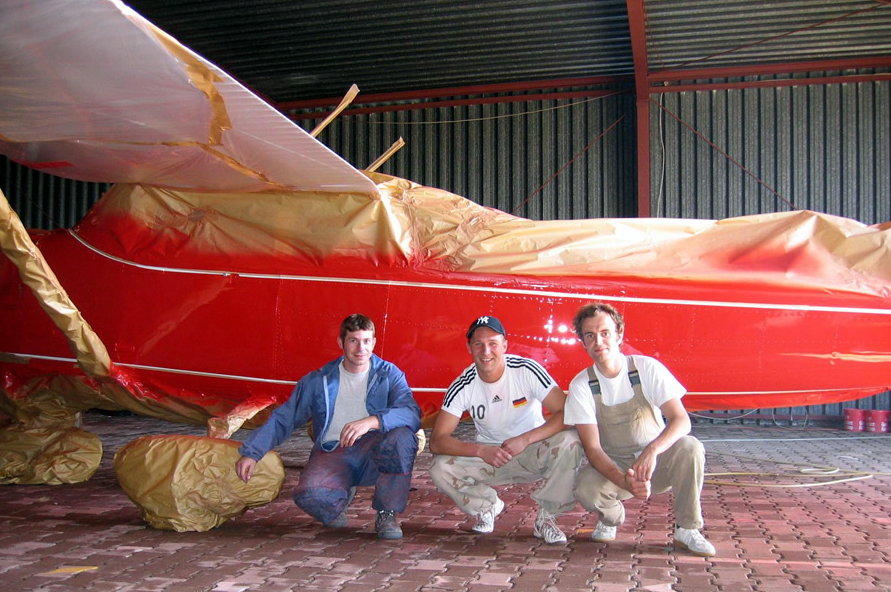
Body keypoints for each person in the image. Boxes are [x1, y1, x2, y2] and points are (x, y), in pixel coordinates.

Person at [235, 313, 421, 540]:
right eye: (353, 340)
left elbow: (411, 412)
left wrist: (373, 421)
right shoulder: (318, 380)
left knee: (402, 439)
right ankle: (340, 492)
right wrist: (252, 453)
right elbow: (285, 417)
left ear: (373, 342)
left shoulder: (389, 374)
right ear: (341, 343)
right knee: (311, 497)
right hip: (334, 451)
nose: (360, 348)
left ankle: (387, 512)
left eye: (366, 341)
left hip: (375, 451)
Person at [565, 302, 715, 556]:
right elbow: (592, 448)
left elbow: (681, 420)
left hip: (657, 465)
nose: (598, 341)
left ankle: (687, 529)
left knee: (691, 447)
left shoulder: (647, 369)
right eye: (589, 335)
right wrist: (625, 480)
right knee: (586, 488)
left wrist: (652, 451)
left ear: (619, 335)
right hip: (617, 467)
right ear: (583, 342)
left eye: (605, 333)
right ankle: (610, 518)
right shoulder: (581, 385)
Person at [429, 315, 584, 544]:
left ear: (504, 345)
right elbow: (437, 441)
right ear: (469, 348)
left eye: (493, 343)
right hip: (491, 457)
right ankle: (486, 506)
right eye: (478, 344)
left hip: (532, 450)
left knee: (571, 441)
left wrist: (525, 439)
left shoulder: (526, 370)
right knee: (439, 467)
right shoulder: (464, 384)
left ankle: (547, 517)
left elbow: (568, 414)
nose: (486, 351)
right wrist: (480, 450)